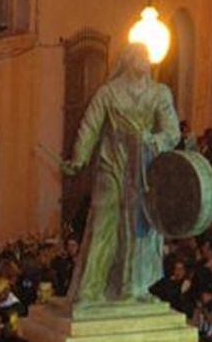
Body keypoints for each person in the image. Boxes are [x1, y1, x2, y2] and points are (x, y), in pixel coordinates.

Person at [62, 42, 181, 306]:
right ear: (128, 60)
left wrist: (152, 140)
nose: (146, 60)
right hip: (111, 163)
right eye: (140, 56)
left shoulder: (159, 93)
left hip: (144, 167)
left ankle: (134, 286)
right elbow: (90, 126)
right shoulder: (109, 93)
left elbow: (172, 132)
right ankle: (91, 288)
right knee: (104, 220)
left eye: (147, 56)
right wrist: (79, 159)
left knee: (137, 227)